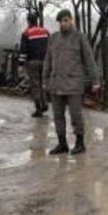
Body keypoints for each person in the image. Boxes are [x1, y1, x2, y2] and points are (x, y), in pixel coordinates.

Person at [42, 9, 100, 155]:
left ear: (71, 20)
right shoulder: (53, 38)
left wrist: (95, 80)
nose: (64, 23)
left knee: (76, 115)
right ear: (59, 22)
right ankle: (62, 144)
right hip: (56, 84)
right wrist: (45, 79)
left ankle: (80, 143)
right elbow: (48, 60)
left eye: (66, 20)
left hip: (73, 83)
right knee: (58, 116)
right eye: (61, 21)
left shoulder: (79, 37)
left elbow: (89, 59)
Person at [19, 12, 50, 117]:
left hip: (33, 62)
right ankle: (45, 103)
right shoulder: (45, 31)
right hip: (45, 61)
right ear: (36, 20)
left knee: (35, 85)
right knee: (43, 83)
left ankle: (38, 109)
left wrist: (21, 64)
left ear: (28, 21)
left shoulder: (26, 33)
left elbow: (23, 51)